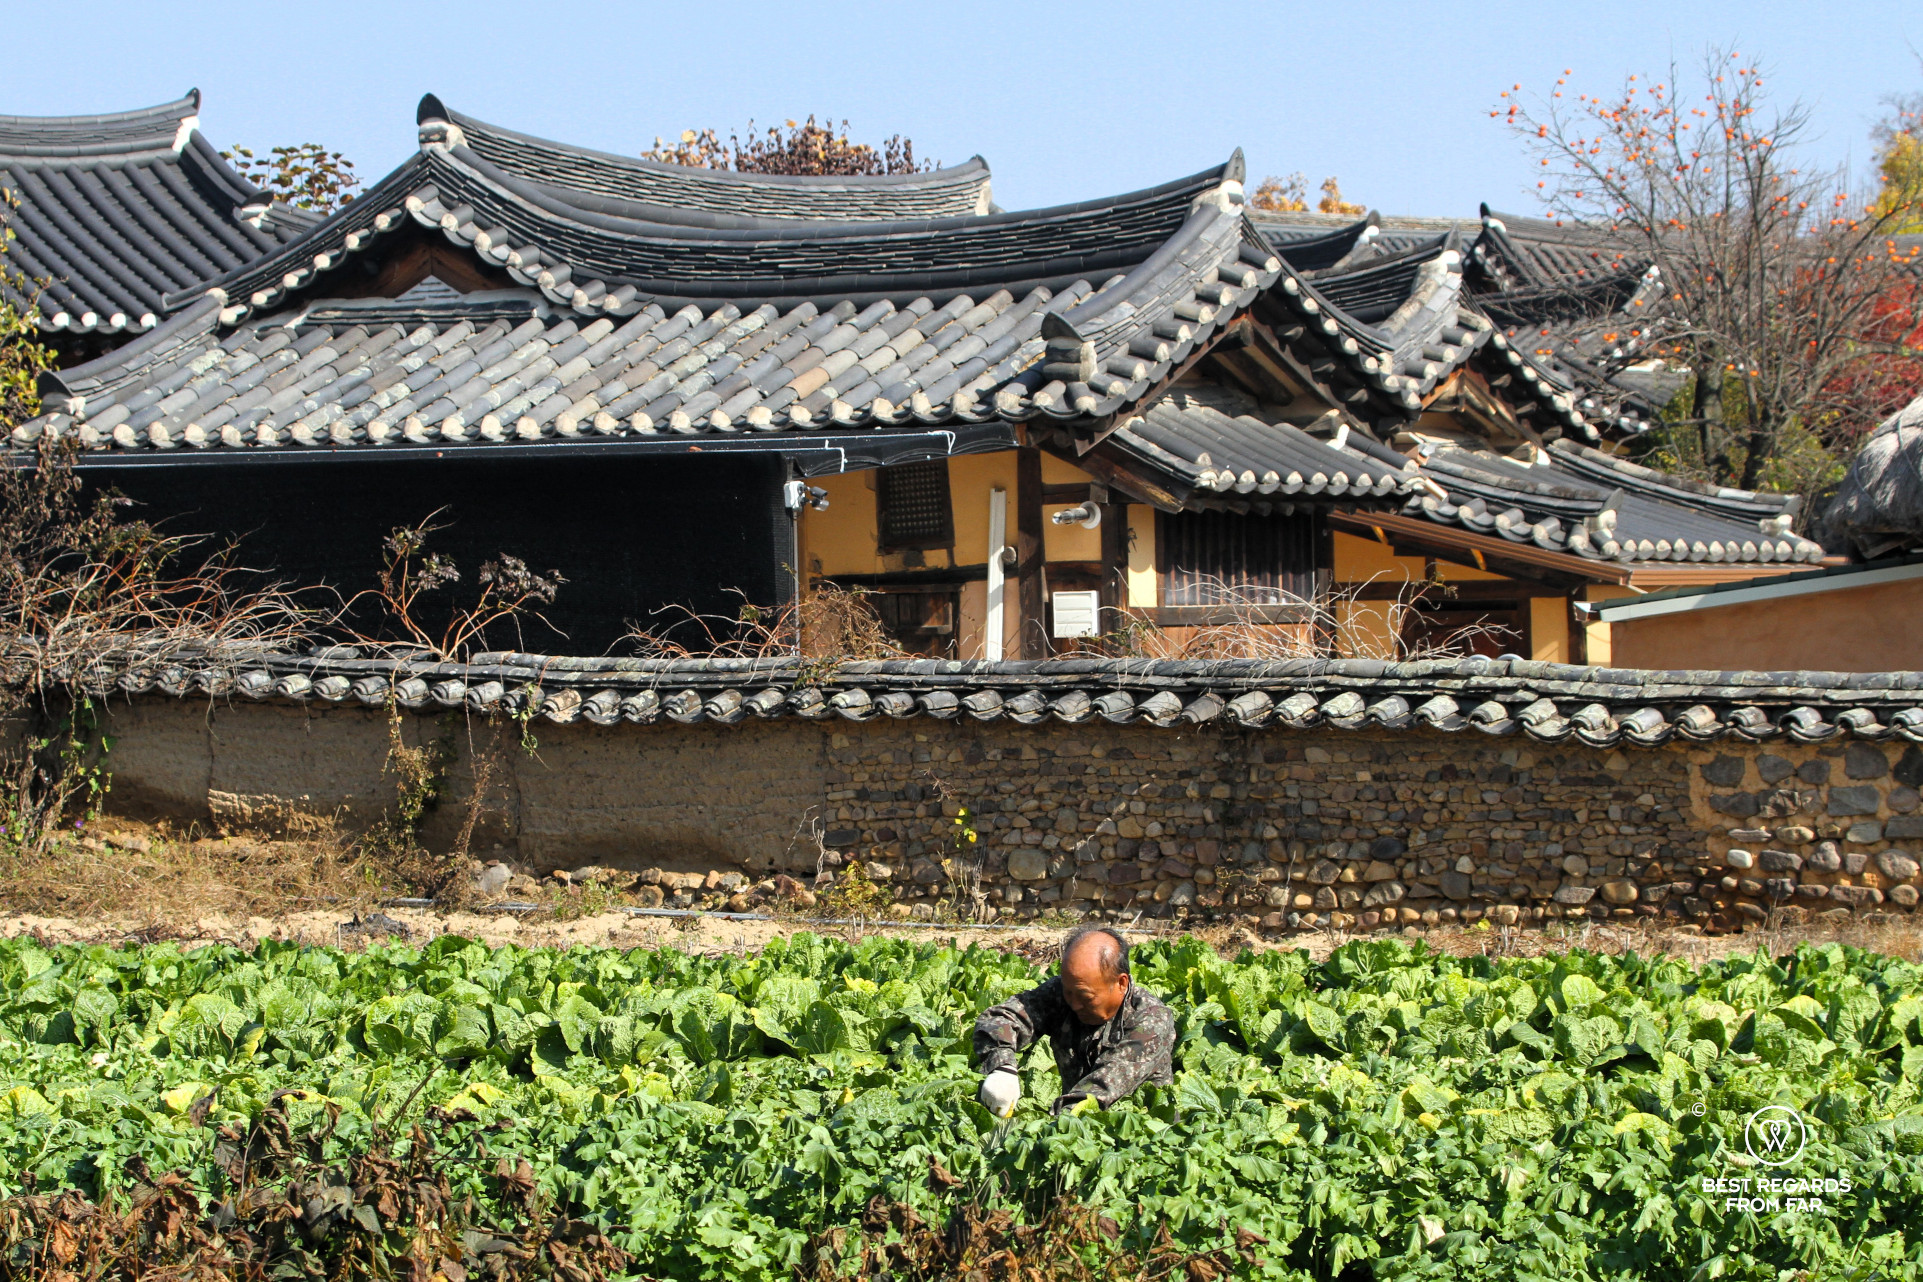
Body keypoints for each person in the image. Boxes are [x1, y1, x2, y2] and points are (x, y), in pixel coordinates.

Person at [972, 925, 1175, 1117]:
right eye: (1069, 992)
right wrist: (1002, 1067)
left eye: (1086, 997)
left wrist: (1038, 1130)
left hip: (1143, 1138)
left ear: (1121, 983)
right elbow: (1000, 1018)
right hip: (1072, 1132)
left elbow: (1096, 1095)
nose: (1075, 1004)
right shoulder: (1064, 994)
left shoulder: (1151, 1020)